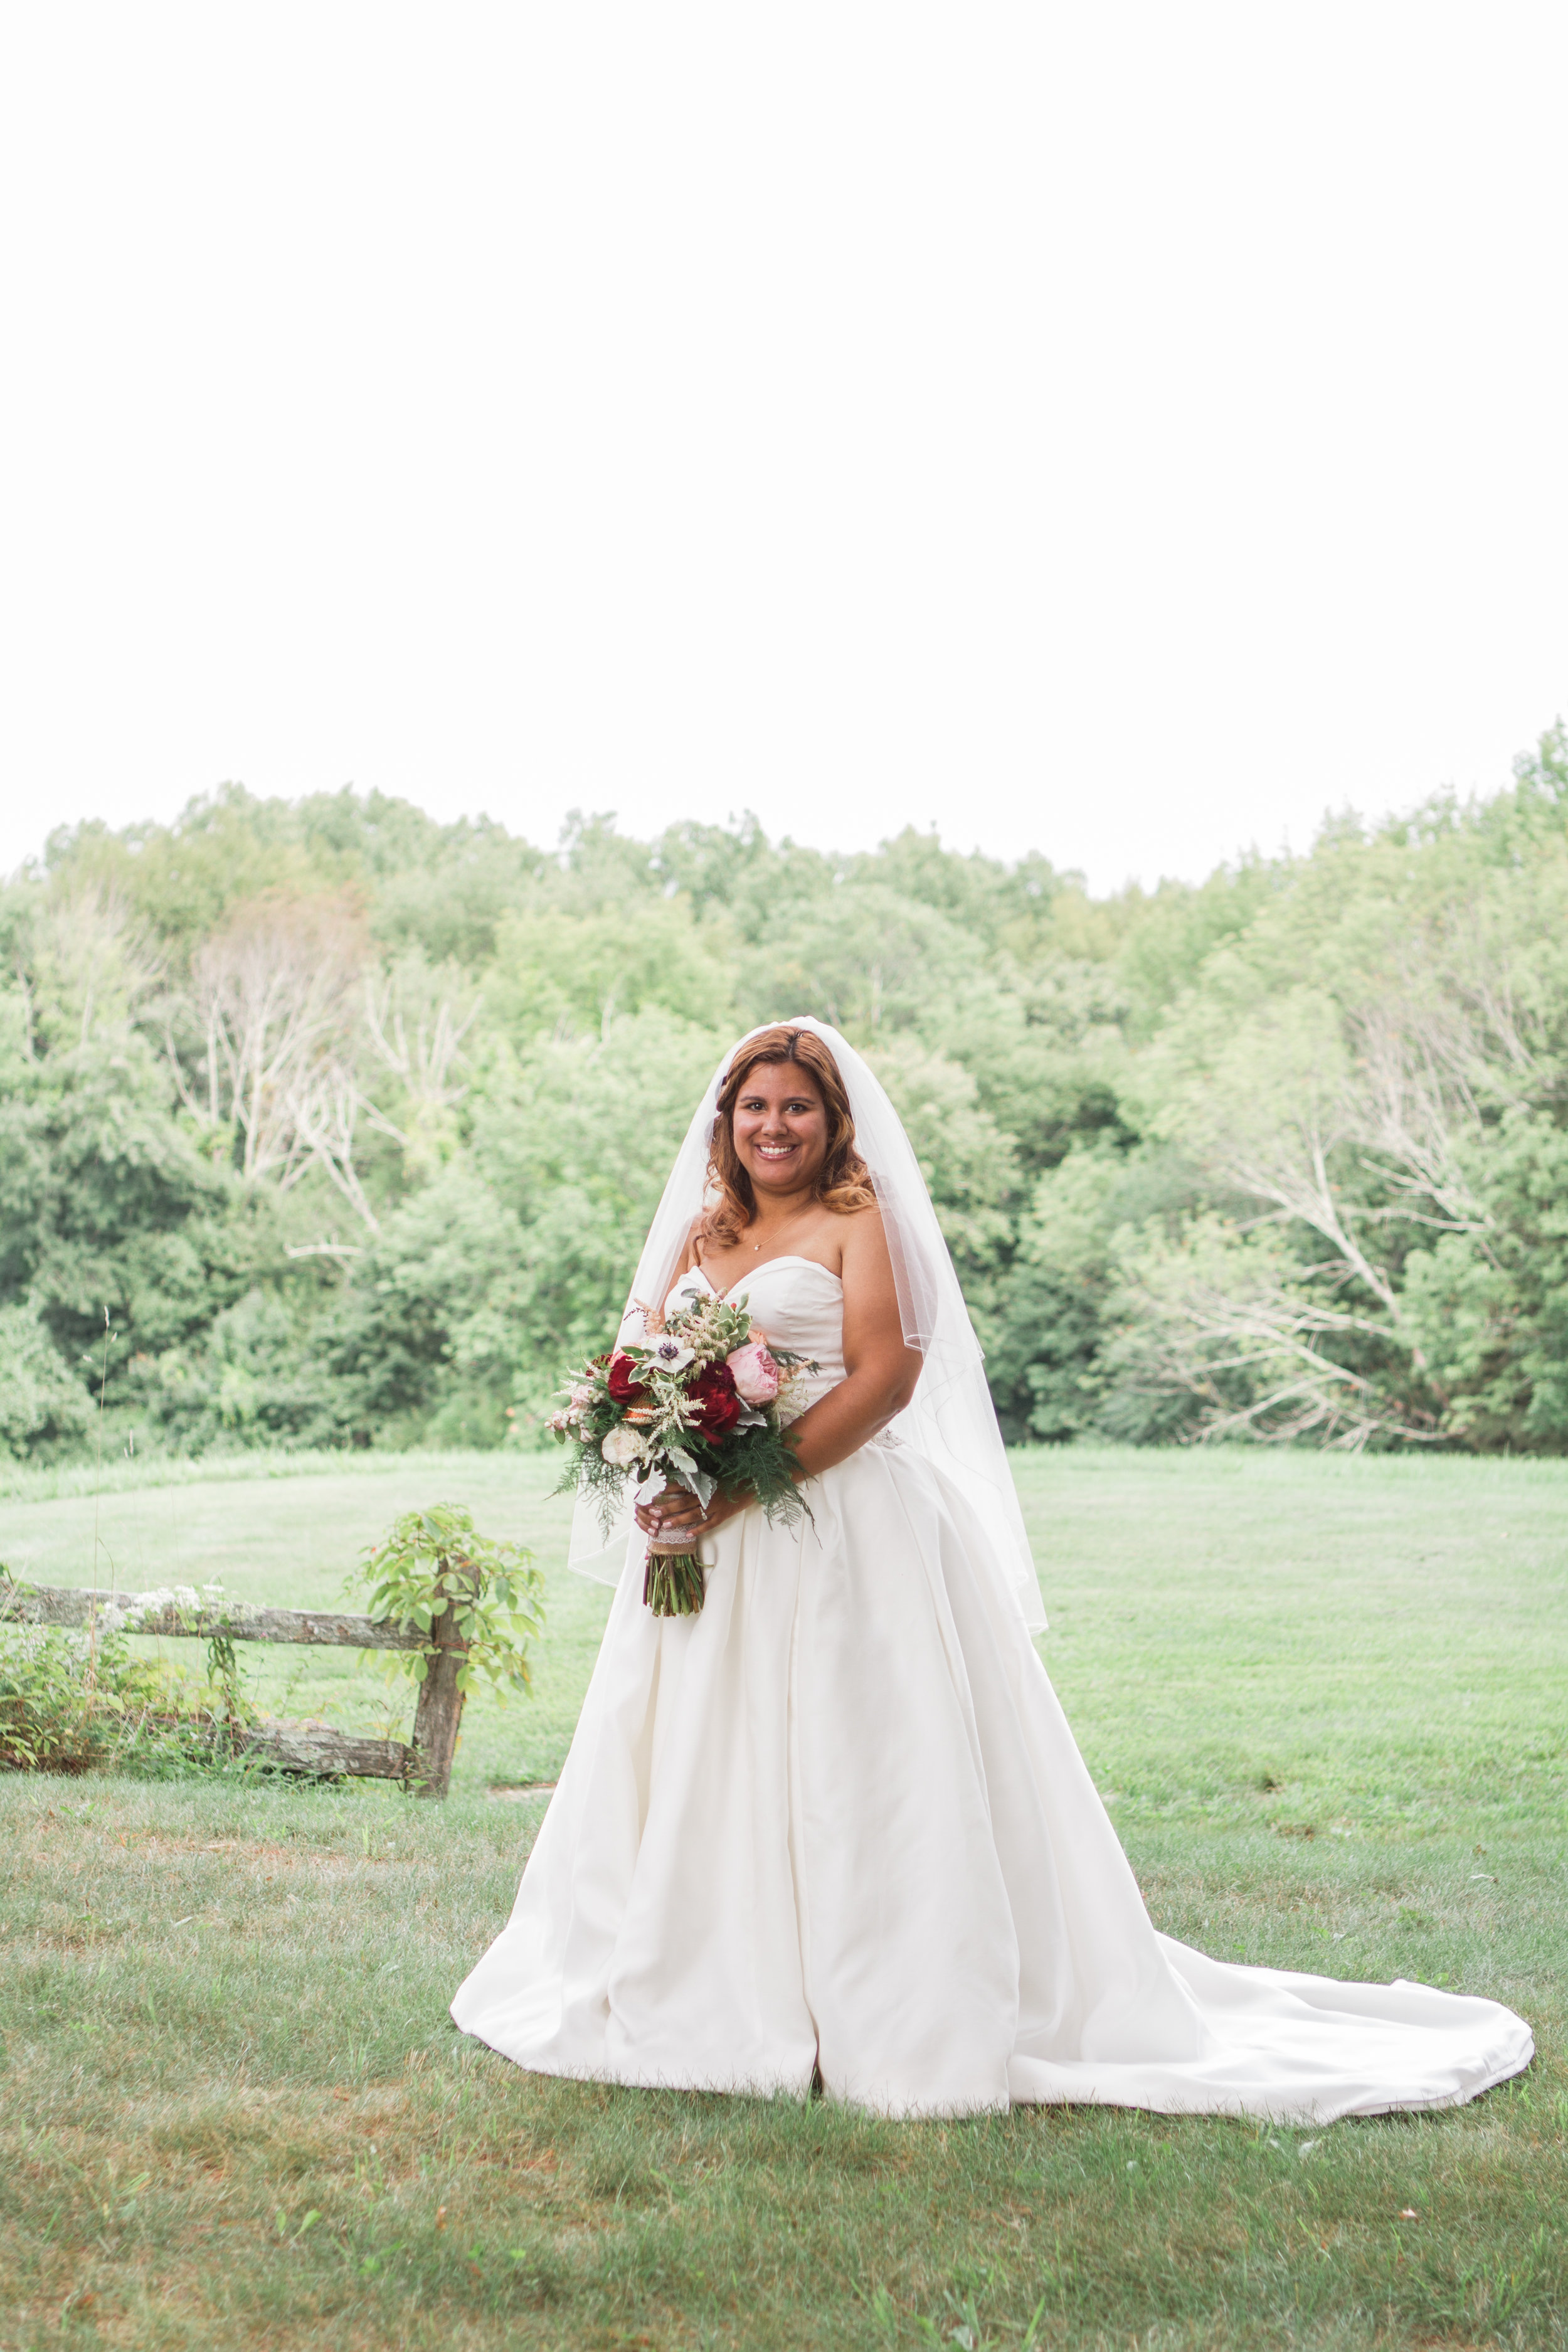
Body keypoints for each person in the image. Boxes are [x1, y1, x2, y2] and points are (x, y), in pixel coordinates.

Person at [451, 1019, 1532, 2119]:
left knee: (860, 1758)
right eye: (755, 1107)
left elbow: (884, 1378)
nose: (774, 1126)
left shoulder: (858, 1218)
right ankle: (714, 1975)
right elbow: (645, 1366)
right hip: (707, 1548)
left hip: (841, 1532)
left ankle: (890, 2004)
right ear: (726, 1121)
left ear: (833, 1122)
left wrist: (738, 1487)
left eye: (797, 1107)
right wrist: (663, 1460)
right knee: (705, 1749)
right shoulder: (697, 1232)